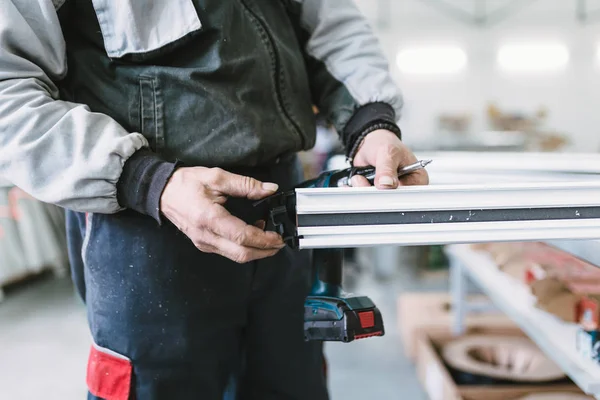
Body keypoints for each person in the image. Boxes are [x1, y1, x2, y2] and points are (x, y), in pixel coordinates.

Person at [0, 1, 429, 399]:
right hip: (148, 222)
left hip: (284, 211)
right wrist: (148, 182)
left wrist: (370, 122)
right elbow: (7, 87)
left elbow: (328, 20)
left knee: (293, 384)